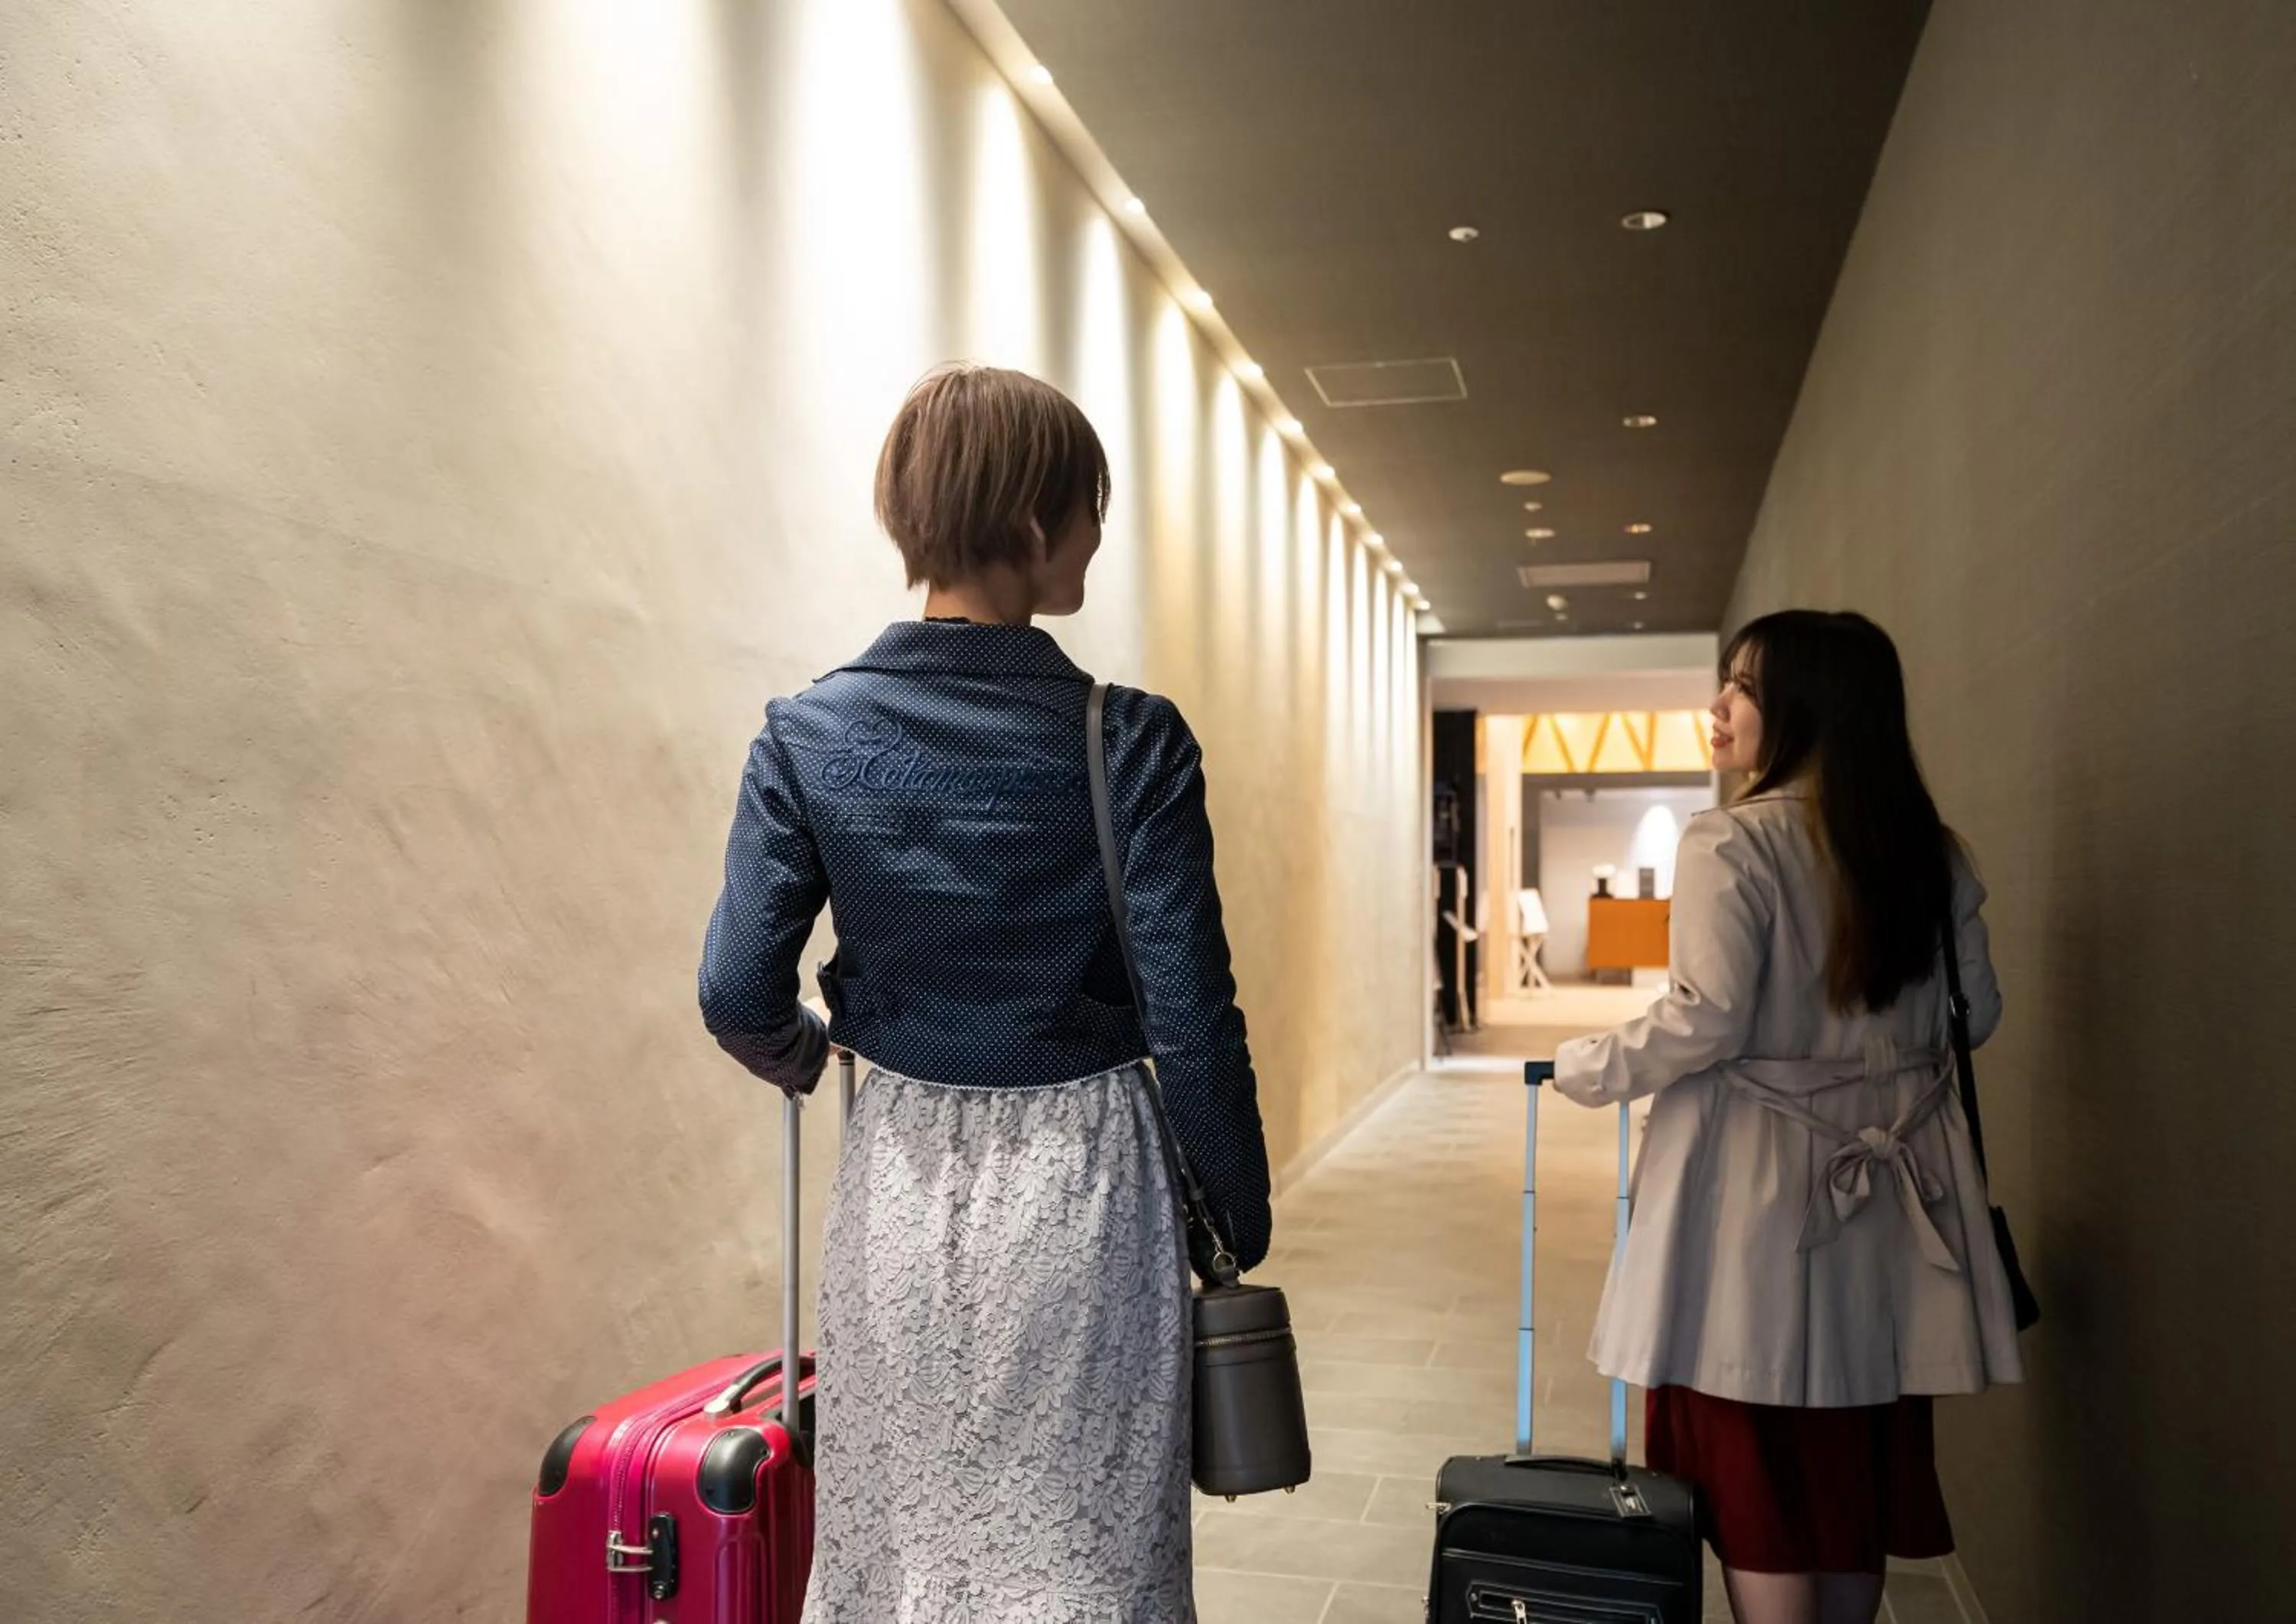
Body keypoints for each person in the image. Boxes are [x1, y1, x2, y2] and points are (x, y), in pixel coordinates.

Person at [696, 364, 1271, 1622]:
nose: (1096, 534)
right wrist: (1238, 1209)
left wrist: (806, 1050)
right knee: (1084, 1554)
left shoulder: (807, 734)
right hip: (1088, 1196)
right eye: (1087, 506)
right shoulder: (1130, 739)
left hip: (896, 1189)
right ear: (1029, 527)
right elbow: (1192, 1019)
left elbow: (738, 989)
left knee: (902, 1549)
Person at [1554, 611, 2024, 1624]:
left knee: (1757, 1458)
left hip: (1756, 1210)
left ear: (1809, 709)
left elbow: (1705, 1018)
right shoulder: (1931, 854)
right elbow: (1974, 1016)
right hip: (1898, 1213)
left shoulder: (1734, 839)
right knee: (1851, 1468)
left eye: (1744, 689)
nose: (1717, 708)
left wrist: (1584, 1066)